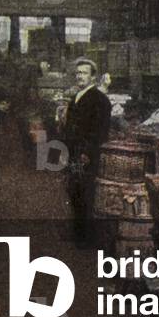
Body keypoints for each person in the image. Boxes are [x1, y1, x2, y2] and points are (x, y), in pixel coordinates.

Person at [60, 57, 112, 247]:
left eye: (84, 73)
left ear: (93, 77)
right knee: (74, 191)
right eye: (78, 73)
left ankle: (86, 238)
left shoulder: (99, 99)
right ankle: (79, 234)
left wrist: (87, 153)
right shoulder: (77, 96)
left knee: (86, 194)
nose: (79, 76)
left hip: (87, 155)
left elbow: (99, 131)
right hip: (74, 152)